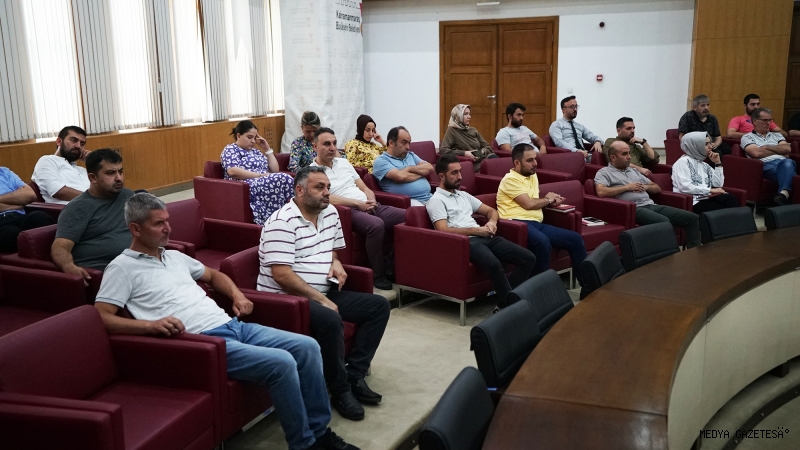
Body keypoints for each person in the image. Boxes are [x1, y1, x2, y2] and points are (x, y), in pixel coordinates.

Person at [94, 193, 359, 450]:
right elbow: (102, 316)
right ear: (135, 229)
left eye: (167, 221)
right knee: (282, 363)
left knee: (308, 347)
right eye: (158, 223)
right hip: (201, 342)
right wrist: (149, 326)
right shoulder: (121, 268)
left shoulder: (173, 256)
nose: (168, 228)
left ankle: (320, 432)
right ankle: (304, 444)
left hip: (233, 326)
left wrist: (237, 295)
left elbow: (213, 275)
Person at [259, 166, 390, 422]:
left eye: (328, 187)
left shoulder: (330, 212)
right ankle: (339, 390)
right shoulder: (281, 222)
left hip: (322, 291)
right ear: (299, 191)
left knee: (378, 307)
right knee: (330, 318)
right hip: (287, 300)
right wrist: (321, 300)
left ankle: (354, 374)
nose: (327, 192)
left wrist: (336, 262)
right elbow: (282, 275)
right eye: (319, 187)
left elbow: (332, 249)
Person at [428, 154, 537, 311]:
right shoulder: (436, 200)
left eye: (460, 171)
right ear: (441, 176)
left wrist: (492, 222)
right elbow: (442, 230)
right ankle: (514, 308)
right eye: (454, 173)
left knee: (528, 258)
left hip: (485, 235)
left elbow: (491, 211)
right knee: (494, 265)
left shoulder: (463, 195)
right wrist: (476, 231)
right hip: (467, 242)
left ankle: (504, 304)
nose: (460, 177)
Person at [310, 127, 404, 290]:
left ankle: (391, 265)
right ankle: (378, 275)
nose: (332, 148)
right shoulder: (312, 172)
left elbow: (364, 187)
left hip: (367, 204)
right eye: (327, 144)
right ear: (315, 146)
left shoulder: (344, 163)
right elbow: (325, 198)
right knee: (376, 225)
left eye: (334, 143)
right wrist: (357, 204)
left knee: (409, 217)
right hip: (346, 211)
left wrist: (371, 199)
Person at [496, 143, 586, 287]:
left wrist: (550, 203)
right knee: (542, 242)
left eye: (535, 159)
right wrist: (547, 199)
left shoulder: (532, 175)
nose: (535, 163)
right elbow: (528, 204)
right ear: (517, 163)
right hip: (517, 224)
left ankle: (587, 286)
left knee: (575, 239)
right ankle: (539, 290)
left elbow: (534, 202)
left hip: (537, 223)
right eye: (530, 160)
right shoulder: (510, 180)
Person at [595, 141, 700, 248]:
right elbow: (601, 192)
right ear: (613, 157)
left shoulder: (633, 171)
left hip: (651, 205)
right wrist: (626, 187)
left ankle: (694, 253)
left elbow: (657, 188)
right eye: (624, 154)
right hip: (634, 209)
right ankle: (671, 255)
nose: (629, 157)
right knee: (663, 222)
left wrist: (646, 187)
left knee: (692, 218)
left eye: (629, 153)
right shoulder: (604, 172)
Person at [51, 149, 134, 281]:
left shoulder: (128, 195)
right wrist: (69, 267)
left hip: (135, 262)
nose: (118, 178)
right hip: (105, 271)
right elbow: (60, 247)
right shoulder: (77, 208)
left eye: (120, 171)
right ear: (92, 178)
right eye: (110, 173)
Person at [221, 120, 294, 225]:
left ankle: (288, 216)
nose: (253, 141)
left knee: (284, 178)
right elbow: (232, 171)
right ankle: (291, 215)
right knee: (284, 178)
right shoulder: (231, 149)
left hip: (263, 181)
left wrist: (267, 148)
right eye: (249, 137)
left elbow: (275, 170)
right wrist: (260, 175)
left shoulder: (256, 152)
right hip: (245, 185)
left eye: (255, 138)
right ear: (239, 136)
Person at [672, 132, 738, 214]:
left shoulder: (704, 164)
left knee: (730, 199)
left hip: (706, 197)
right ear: (695, 146)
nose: (710, 147)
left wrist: (717, 163)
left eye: (710, 143)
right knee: (720, 209)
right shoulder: (682, 162)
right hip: (692, 201)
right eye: (706, 144)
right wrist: (710, 190)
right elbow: (685, 187)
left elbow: (718, 184)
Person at [741, 108, 796, 205]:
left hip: (783, 163)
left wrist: (767, 147)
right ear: (755, 121)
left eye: (770, 120)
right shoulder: (747, 137)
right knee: (791, 171)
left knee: (787, 163)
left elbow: (787, 149)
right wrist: (779, 150)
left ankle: (783, 195)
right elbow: (756, 153)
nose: (768, 123)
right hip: (765, 165)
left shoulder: (777, 136)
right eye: (765, 120)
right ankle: (785, 196)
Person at [372, 126, 433, 206]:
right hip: (408, 202)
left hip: (429, 197)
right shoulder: (381, 161)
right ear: (391, 143)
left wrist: (409, 168)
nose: (408, 147)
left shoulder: (411, 155)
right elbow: (401, 177)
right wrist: (422, 172)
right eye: (404, 142)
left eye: (409, 142)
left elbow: (430, 168)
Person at [0, 167, 55, 253]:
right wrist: (18, 204)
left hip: (19, 216)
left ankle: (54, 255)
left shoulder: (4, 172)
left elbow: (30, 195)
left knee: (41, 218)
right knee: (14, 234)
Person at [31, 125, 91, 204]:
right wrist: (94, 199)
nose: (78, 146)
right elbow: (57, 191)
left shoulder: (82, 170)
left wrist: (93, 161)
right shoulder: (47, 161)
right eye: (73, 140)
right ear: (59, 141)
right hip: (72, 209)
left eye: (82, 144)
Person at [439, 104, 497, 170]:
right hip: (469, 163)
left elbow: (487, 147)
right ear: (458, 116)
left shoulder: (473, 130)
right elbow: (443, 150)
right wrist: (464, 153)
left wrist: (480, 153)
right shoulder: (452, 131)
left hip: (482, 158)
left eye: (469, 114)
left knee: (496, 162)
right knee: (493, 166)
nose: (469, 117)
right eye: (466, 114)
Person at [548, 96, 602, 161]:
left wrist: (598, 141)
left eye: (576, 106)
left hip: (584, 154)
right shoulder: (556, 125)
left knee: (602, 156)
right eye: (572, 107)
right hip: (569, 155)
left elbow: (593, 136)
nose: (575, 109)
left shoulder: (579, 126)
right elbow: (559, 142)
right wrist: (576, 151)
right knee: (581, 158)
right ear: (563, 110)